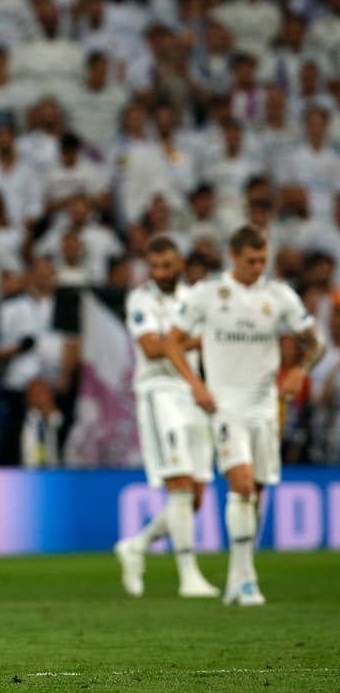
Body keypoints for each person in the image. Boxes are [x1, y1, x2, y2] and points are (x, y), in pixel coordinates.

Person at [163, 226, 322, 606]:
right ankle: (246, 579)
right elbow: (171, 342)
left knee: (259, 490)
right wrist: (196, 384)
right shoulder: (208, 295)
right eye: (251, 260)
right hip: (225, 406)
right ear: (233, 257)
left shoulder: (278, 295)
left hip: (265, 406)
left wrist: (300, 369)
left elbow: (314, 342)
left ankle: (239, 575)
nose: (257, 267)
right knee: (243, 484)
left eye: (262, 260)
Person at [113, 236, 220, 599]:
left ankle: (137, 545)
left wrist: (175, 341)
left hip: (194, 393)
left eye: (166, 266)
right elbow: (151, 348)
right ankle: (188, 576)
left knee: (196, 496)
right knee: (180, 486)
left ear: (180, 264)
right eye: (154, 266)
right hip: (159, 393)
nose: (159, 273)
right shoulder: (140, 299)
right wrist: (190, 340)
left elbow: (199, 339)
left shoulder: (194, 298)